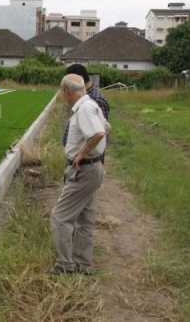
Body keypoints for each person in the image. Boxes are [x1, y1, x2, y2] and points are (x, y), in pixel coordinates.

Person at [51, 74, 109, 275]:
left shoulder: (84, 109)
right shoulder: (92, 105)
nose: (62, 96)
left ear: (67, 91)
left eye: (62, 92)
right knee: (86, 218)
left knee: (60, 218)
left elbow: (98, 133)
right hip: (92, 168)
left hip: (84, 170)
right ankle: (82, 264)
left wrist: (82, 153)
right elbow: (106, 128)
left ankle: (64, 266)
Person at [62, 64, 109, 149]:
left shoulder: (96, 100)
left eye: (68, 83)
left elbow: (99, 133)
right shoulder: (83, 96)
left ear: (79, 79)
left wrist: (82, 154)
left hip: (85, 160)